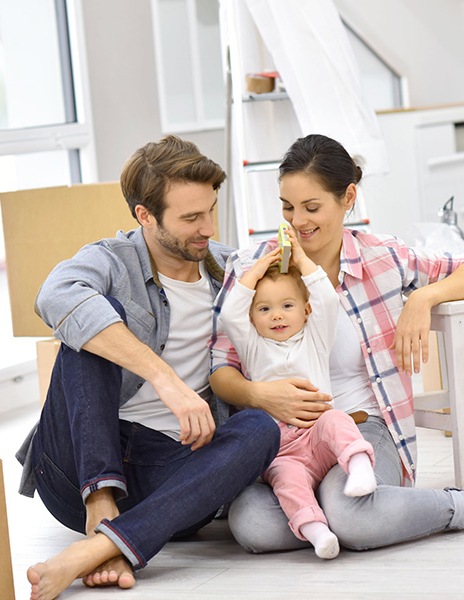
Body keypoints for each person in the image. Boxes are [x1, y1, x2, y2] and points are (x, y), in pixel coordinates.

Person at [210, 133, 464, 557]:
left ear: (348, 197)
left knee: (350, 515)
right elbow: (220, 366)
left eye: (312, 208)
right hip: (281, 438)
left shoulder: (382, 258)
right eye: (287, 207)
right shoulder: (251, 266)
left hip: (360, 427)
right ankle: (352, 513)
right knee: (254, 526)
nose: (298, 221)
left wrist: (423, 297)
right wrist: (258, 393)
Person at [16, 135, 280, 600]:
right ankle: (101, 502)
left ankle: (96, 550)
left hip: (172, 473)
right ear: (145, 216)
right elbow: (54, 297)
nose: (207, 228)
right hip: (77, 471)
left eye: (211, 211)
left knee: (259, 428)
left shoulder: (231, 270)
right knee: (91, 322)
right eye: (190, 218)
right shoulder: (109, 260)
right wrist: (166, 378)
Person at [217, 227, 377, 559]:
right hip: (281, 448)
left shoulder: (316, 338)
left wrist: (301, 259)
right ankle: (317, 532)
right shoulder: (253, 347)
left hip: (318, 434)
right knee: (287, 482)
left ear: (305, 311)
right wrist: (257, 270)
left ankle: (359, 466)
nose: (276, 315)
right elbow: (231, 312)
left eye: (287, 305)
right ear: (253, 317)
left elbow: (327, 298)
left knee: (335, 419)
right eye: (264, 309)